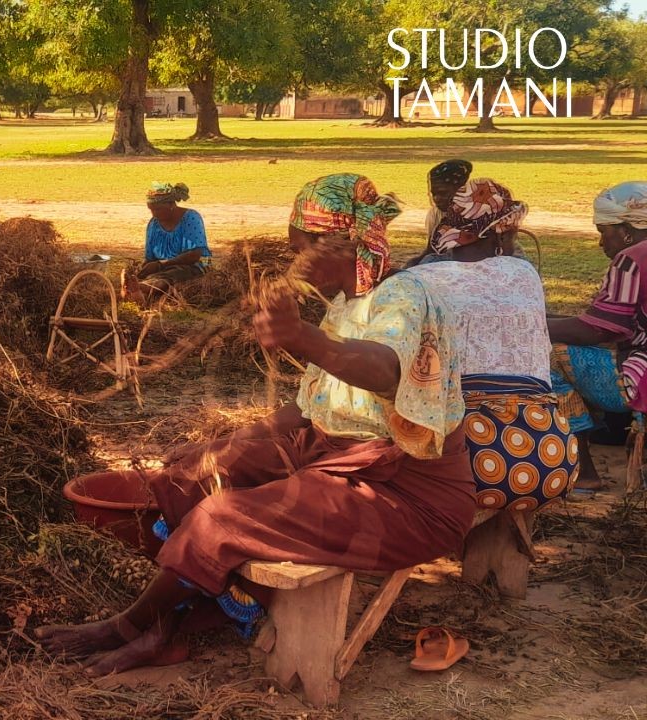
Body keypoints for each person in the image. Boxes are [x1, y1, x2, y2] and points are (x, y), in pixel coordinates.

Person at [38, 174, 473, 676]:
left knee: (221, 518)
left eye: (301, 251)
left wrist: (301, 336)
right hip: (338, 457)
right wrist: (220, 442)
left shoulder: (406, 295)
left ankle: (132, 627)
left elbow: (384, 371)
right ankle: (172, 627)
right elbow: (310, 411)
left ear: (342, 241)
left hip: (409, 494)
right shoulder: (344, 305)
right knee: (190, 475)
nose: (297, 267)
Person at [402, 179, 578, 511]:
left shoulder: (418, 282)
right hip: (551, 458)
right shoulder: (524, 274)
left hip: (469, 462)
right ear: (503, 234)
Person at [548, 182, 647, 494]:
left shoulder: (632, 259)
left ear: (626, 230)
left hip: (640, 377)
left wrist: (529, 324)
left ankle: (583, 470)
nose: (601, 242)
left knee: (547, 355)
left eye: (604, 231)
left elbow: (602, 328)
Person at [407, 160, 528, 267]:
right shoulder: (437, 216)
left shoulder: (486, 214)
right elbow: (432, 250)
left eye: (443, 193)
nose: (437, 198)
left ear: (462, 191)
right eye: (434, 194)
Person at [122, 182, 212, 304]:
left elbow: (195, 255)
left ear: (171, 204)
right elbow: (150, 259)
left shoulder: (191, 218)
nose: (154, 214)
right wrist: (144, 269)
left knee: (173, 274)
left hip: (196, 265)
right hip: (163, 267)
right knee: (144, 273)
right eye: (151, 209)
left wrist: (161, 264)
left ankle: (144, 288)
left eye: (158, 209)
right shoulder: (153, 224)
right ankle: (133, 286)